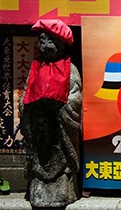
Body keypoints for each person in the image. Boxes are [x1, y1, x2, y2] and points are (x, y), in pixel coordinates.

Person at [20, 19, 82, 209]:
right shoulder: (36, 67)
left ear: (61, 44)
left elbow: (75, 96)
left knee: (61, 162)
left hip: (59, 127)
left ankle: (63, 191)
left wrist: (61, 106)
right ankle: (37, 189)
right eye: (42, 40)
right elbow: (26, 92)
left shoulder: (70, 69)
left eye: (51, 41)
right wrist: (28, 106)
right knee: (39, 160)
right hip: (39, 127)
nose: (45, 45)